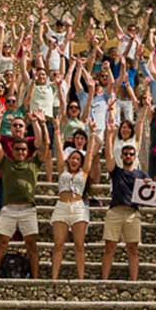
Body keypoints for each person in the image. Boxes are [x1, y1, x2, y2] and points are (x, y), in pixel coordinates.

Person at [0, 111, 48, 279]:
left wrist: (42, 124)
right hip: (9, 208)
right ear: (13, 150)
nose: (21, 152)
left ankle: (35, 278)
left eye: (23, 149)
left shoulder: (33, 163)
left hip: (28, 209)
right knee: (2, 243)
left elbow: (45, 145)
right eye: (18, 149)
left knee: (32, 245)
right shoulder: (5, 162)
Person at [50, 119, 96, 280]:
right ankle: (54, 278)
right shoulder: (62, 169)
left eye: (77, 159)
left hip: (78, 207)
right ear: (68, 159)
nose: (75, 160)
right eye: (72, 158)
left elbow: (89, 153)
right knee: (58, 245)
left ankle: (81, 278)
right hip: (61, 205)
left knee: (79, 245)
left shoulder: (84, 172)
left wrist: (91, 132)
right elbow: (58, 151)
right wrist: (56, 131)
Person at [102, 134, 151, 280]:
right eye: (126, 154)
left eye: (131, 154)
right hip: (115, 211)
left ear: (135, 156)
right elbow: (108, 157)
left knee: (133, 248)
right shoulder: (116, 171)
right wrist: (109, 136)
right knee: (109, 247)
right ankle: (104, 280)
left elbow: (150, 194)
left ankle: (134, 281)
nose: (128, 156)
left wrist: (150, 185)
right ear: (122, 156)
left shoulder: (142, 174)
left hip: (132, 213)